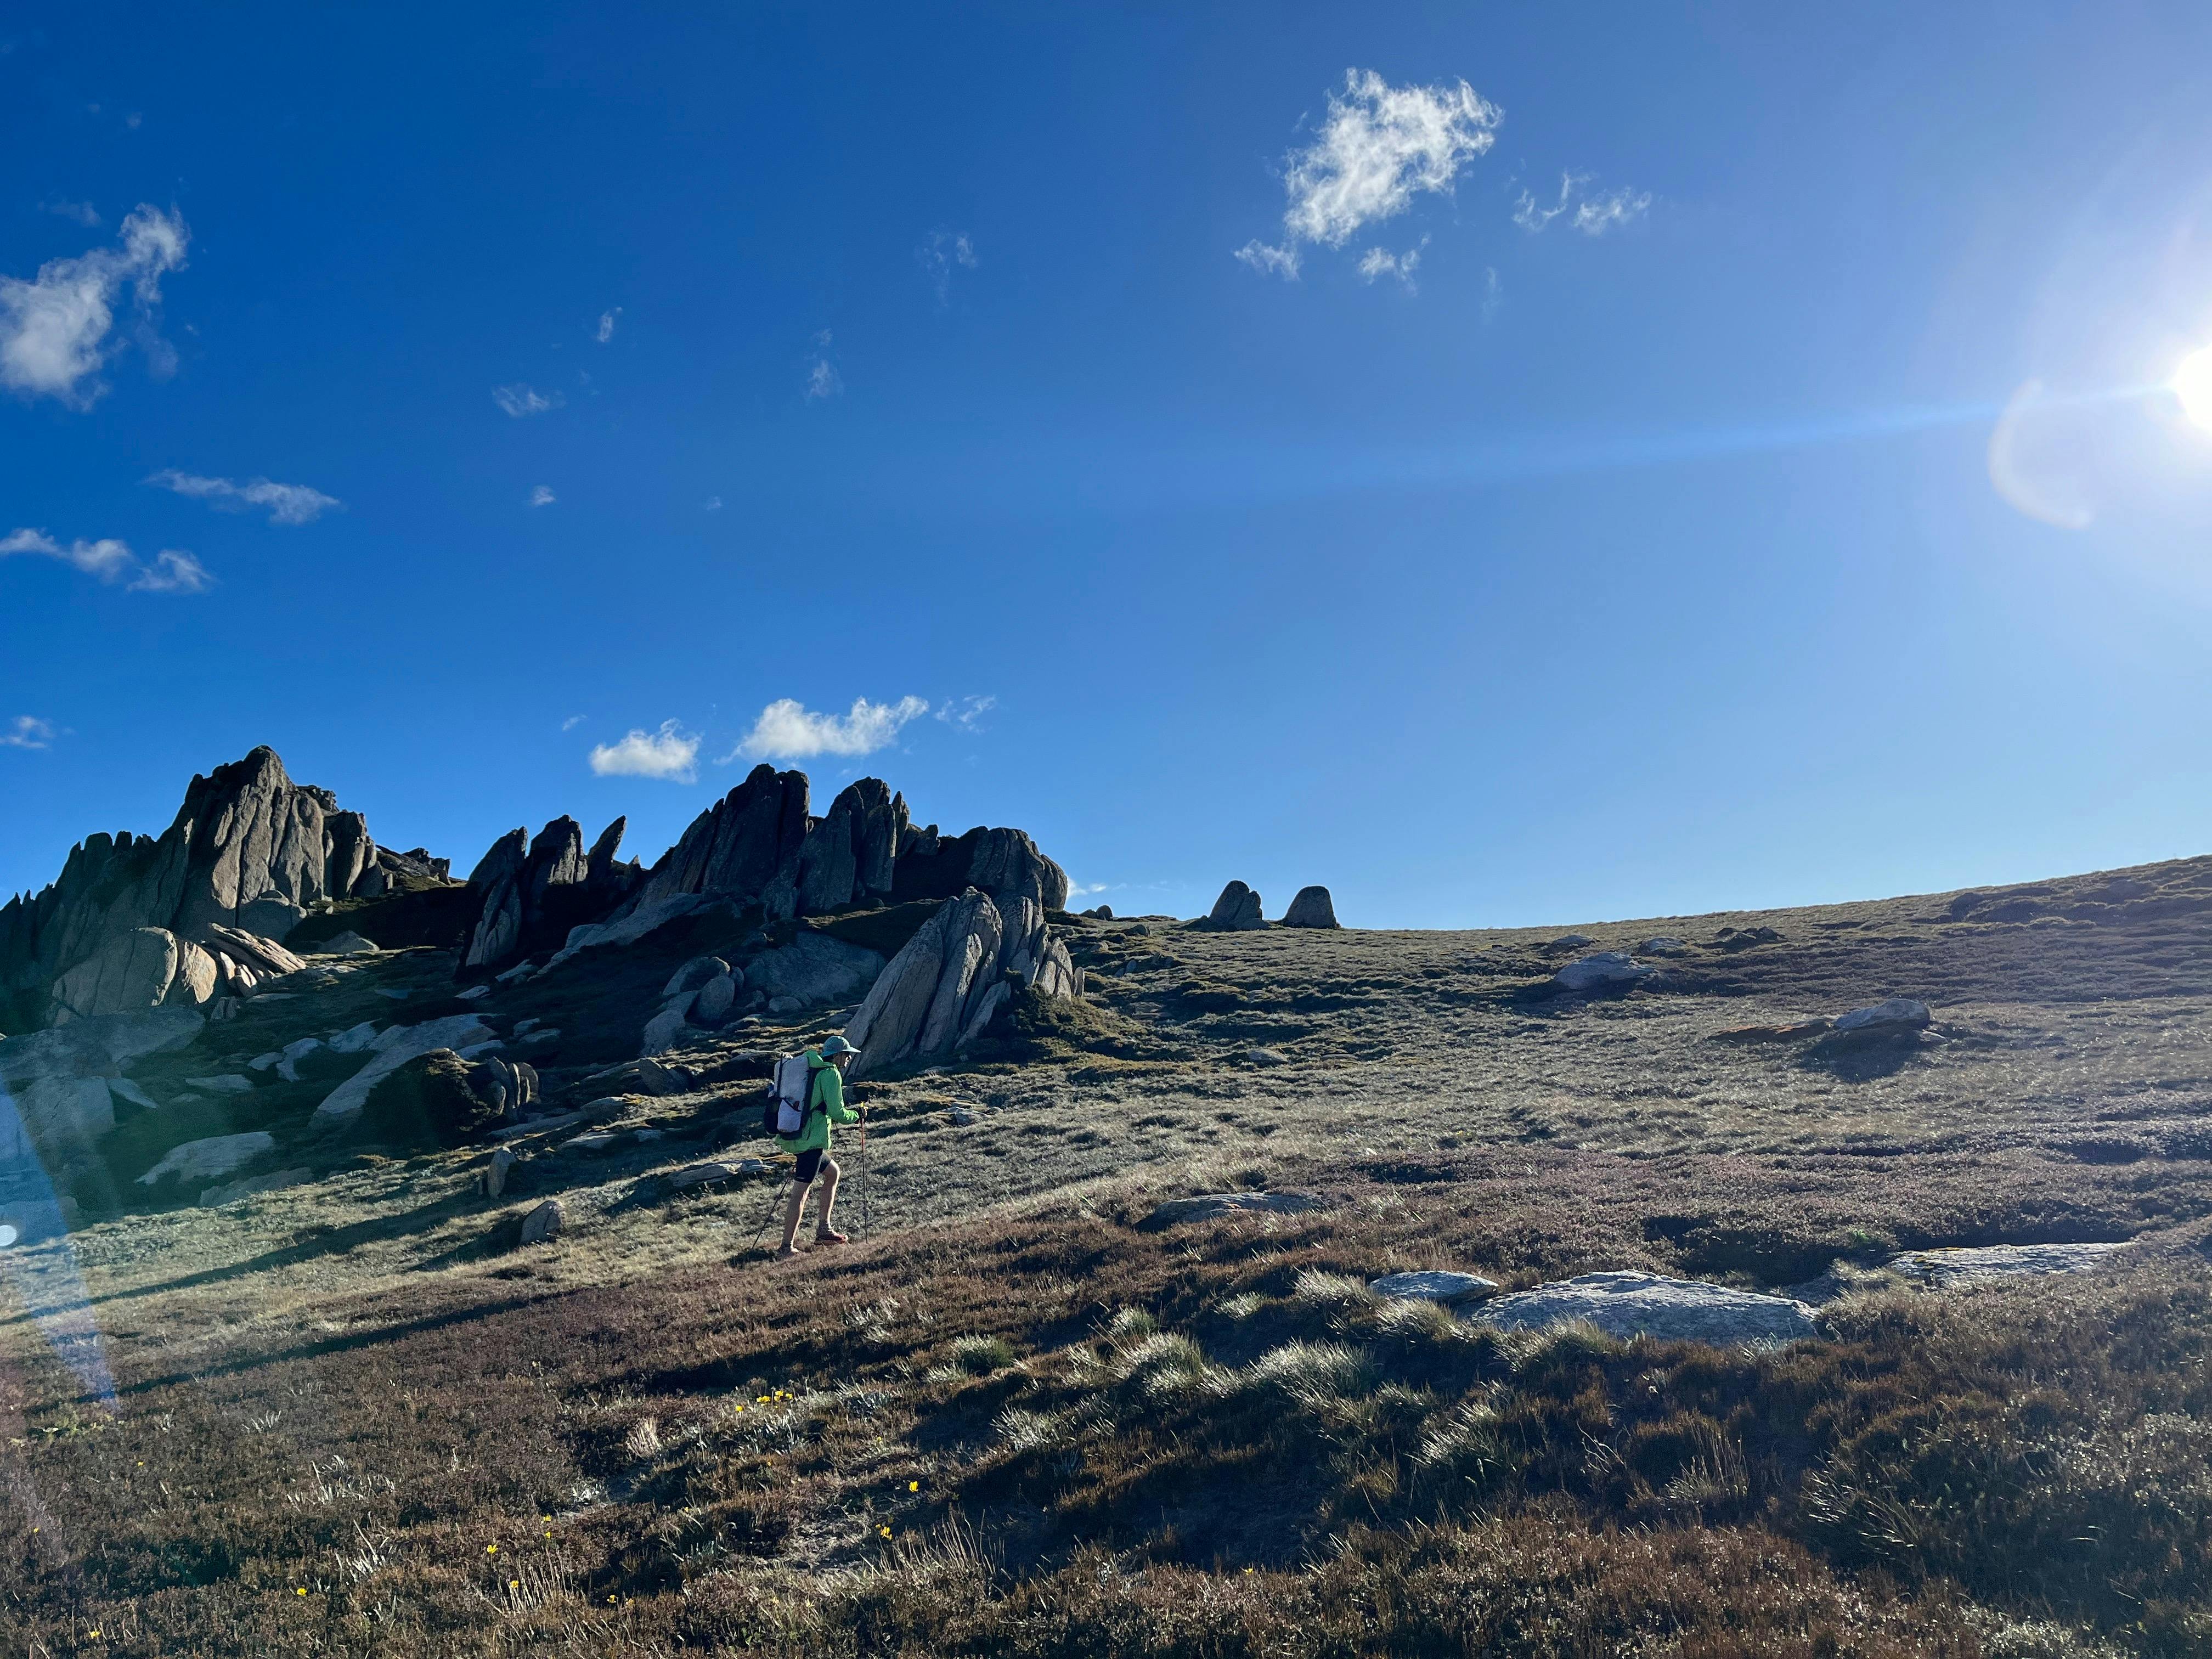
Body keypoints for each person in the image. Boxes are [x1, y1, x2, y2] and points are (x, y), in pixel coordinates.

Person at [774, 1034, 862, 1259]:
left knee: (833, 1173)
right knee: (800, 1193)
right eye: (847, 1055)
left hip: (799, 1136)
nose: (849, 1059)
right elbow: (837, 1113)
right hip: (811, 1141)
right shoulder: (830, 1074)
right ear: (838, 1055)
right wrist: (857, 1115)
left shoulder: (812, 1069)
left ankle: (825, 1230)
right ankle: (786, 1247)